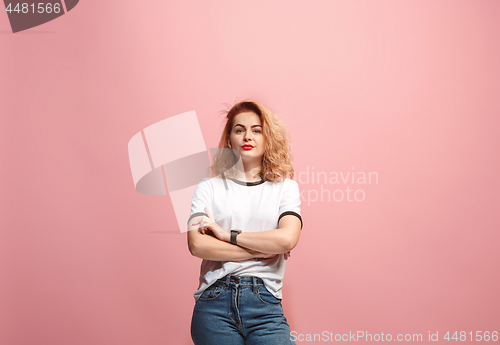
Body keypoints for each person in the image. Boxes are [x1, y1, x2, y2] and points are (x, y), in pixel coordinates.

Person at [187, 100, 303, 345]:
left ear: (267, 137)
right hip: (214, 304)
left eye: (256, 129)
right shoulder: (208, 187)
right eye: (239, 129)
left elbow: (287, 239)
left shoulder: (285, 188)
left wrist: (227, 235)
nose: (247, 136)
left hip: (265, 303)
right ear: (229, 139)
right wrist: (264, 250)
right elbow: (197, 246)